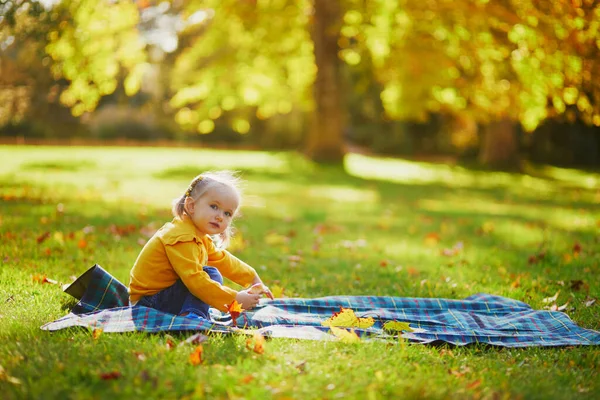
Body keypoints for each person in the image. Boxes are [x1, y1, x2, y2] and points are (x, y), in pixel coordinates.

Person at [128, 171, 273, 320]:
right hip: (148, 302)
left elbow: (222, 259)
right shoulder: (182, 237)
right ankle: (192, 316)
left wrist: (252, 277)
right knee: (210, 274)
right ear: (191, 206)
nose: (219, 216)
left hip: (160, 296)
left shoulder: (197, 236)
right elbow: (195, 280)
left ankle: (190, 312)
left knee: (211, 272)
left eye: (227, 213)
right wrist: (234, 299)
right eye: (214, 206)